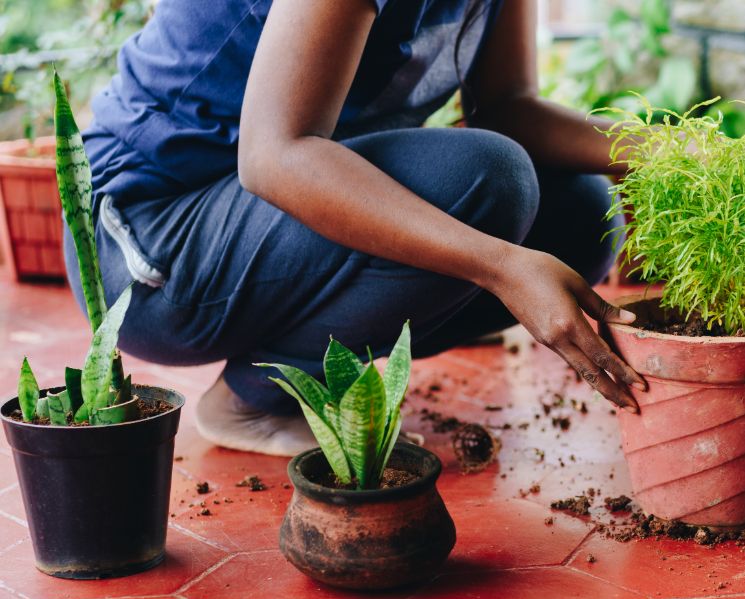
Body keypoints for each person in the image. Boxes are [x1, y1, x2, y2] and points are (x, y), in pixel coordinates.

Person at [69, 0, 647, 455]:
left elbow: (508, 105)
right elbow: (275, 156)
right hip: (147, 246)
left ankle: (306, 347)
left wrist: (671, 150)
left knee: (580, 211)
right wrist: (499, 265)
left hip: (271, 219)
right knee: (489, 181)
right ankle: (254, 399)